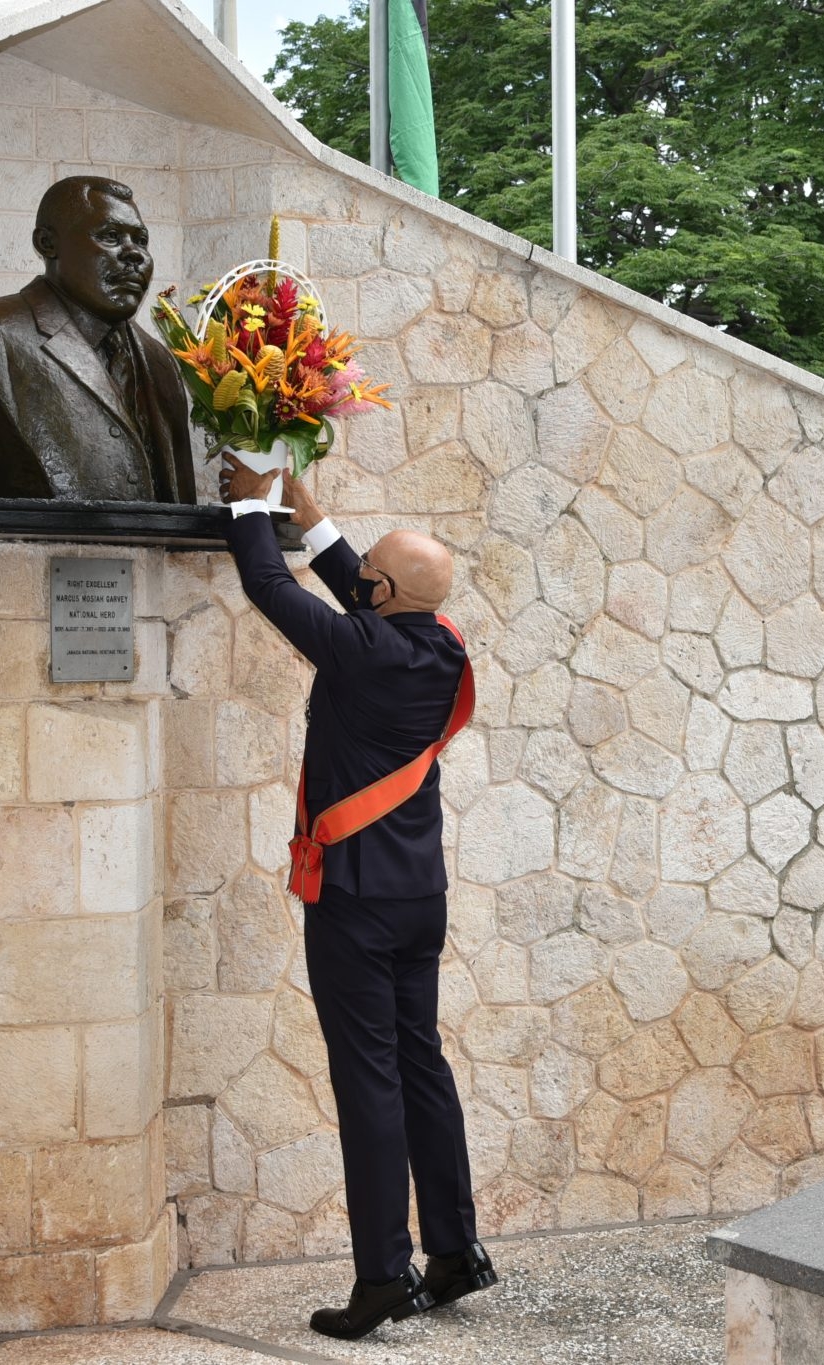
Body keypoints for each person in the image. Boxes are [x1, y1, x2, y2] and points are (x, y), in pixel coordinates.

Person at [221, 459, 496, 1337]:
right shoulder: (438, 640)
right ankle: (455, 1252)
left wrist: (251, 501)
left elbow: (267, 582)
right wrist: (318, 520)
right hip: (420, 894)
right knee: (422, 1065)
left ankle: (383, 1275)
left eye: (365, 568)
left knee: (370, 1080)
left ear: (379, 591)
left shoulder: (359, 645)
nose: (357, 578)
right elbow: (366, 590)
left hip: (356, 900)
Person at [0, 176, 199, 502]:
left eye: (141, 240)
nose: (134, 254)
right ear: (47, 243)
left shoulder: (160, 364)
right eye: (110, 237)